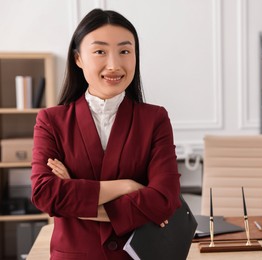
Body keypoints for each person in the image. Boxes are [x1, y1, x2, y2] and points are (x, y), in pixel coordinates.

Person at [31, 8, 181, 259]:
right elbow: (45, 194)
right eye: (100, 51)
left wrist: (74, 196)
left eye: (125, 51)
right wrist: (129, 186)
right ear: (78, 58)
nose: (114, 65)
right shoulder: (51, 120)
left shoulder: (155, 118)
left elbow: (164, 200)